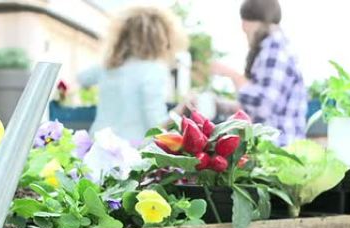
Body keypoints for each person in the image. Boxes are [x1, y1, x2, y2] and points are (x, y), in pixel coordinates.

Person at [78, 6, 187, 144]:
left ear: (122, 35)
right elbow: (156, 126)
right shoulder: (154, 70)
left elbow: (81, 78)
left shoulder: (108, 65)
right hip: (132, 153)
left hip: (98, 146)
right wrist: (181, 111)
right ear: (161, 37)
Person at [211, 0, 307, 145]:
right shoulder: (275, 47)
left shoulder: (274, 48)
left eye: (246, 31)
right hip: (280, 146)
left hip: (279, 147)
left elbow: (263, 106)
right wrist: (219, 104)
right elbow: (260, 106)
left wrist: (232, 74)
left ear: (247, 23)